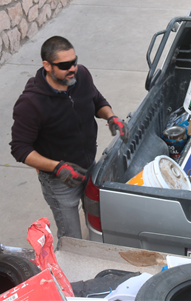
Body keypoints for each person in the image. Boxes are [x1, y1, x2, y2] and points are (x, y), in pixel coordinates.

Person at [10, 36, 129, 244]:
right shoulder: (31, 103)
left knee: (99, 221)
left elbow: (96, 100)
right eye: (65, 65)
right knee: (72, 241)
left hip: (89, 165)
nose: (72, 68)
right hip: (60, 182)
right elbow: (20, 149)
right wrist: (58, 167)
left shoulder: (81, 75)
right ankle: (71, 274)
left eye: (74, 61)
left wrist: (110, 117)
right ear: (47, 65)